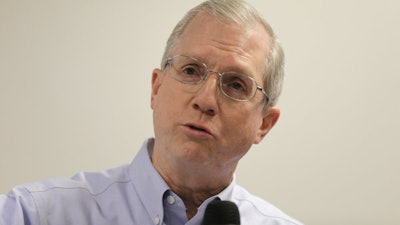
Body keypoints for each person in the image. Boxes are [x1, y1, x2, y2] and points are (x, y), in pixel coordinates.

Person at [0, 0, 303, 224]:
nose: (206, 99)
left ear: (264, 124)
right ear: (156, 89)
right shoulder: (33, 214)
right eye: (190, 70)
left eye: (236, 85)